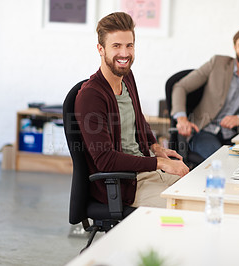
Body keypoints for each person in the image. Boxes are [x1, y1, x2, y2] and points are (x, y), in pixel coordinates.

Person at [75, 12, 189, 208]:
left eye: (129, 45)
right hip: (125, 187)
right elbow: (105, 160)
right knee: (187, 208)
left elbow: (138, 117)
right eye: (116, 46)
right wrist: (160, 163)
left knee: (201, 193)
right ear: (100, 49)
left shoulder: (126, 77)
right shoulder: (91, 96)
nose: (125, 54)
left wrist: (155, 147)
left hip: (148, 173)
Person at [171, 27, 239, 160]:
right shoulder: (217, 63)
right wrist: (182, 119)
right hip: (203, 131)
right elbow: (180, 86)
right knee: (221, 161)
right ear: (235, 47)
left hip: (234, 136)